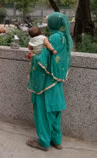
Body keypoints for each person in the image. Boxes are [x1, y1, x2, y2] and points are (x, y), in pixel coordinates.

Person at [26, 12, 73, 151]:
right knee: (55, 111)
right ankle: (56, 140)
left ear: (53, 24)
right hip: (56, 81)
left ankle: (44, 142)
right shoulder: (65, 37)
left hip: (45, 84)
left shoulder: (53, 38)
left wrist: (32, 56)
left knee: (43, 112)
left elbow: (41, 61)